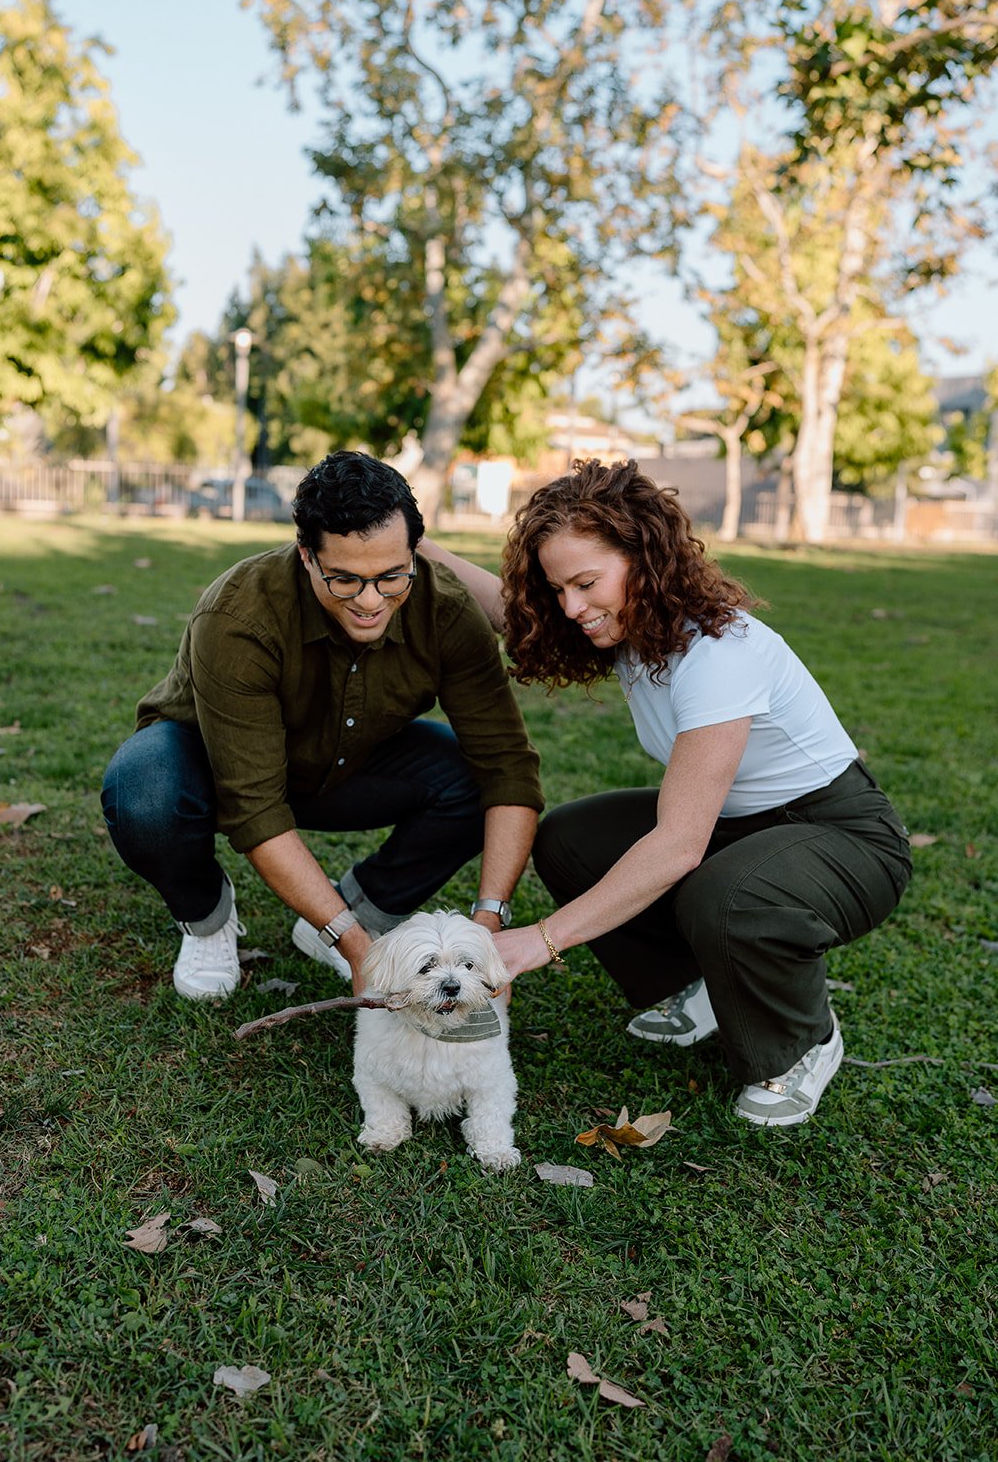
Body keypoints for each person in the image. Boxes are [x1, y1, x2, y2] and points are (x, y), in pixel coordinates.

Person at [422, 459, 912, 1127]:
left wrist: (539, 939)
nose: (570, 607)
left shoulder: (717, 652)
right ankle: (701, 987)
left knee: (730, 895)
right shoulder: (632, 627)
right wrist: (416, 542)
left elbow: (680, 844)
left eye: (585, 583)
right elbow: (513, 614)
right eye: (557, 586)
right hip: (740, 829)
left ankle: (801, 1044)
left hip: (844, 838)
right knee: (569, 839)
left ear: (644, 560)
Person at [102, 451, 543, 1001]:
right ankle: (206, 916)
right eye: (344, 579)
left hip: (347, 765)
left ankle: (356, 912)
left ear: (415, 552)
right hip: (212, 768)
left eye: (391, 577)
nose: (369, 601)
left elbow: (508, 767)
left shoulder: (447, 610)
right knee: (142, 792)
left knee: (473, 778)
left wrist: (488, 927)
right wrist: (356, 950)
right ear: (306, 555)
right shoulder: (238, 616)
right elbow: (255, 803)